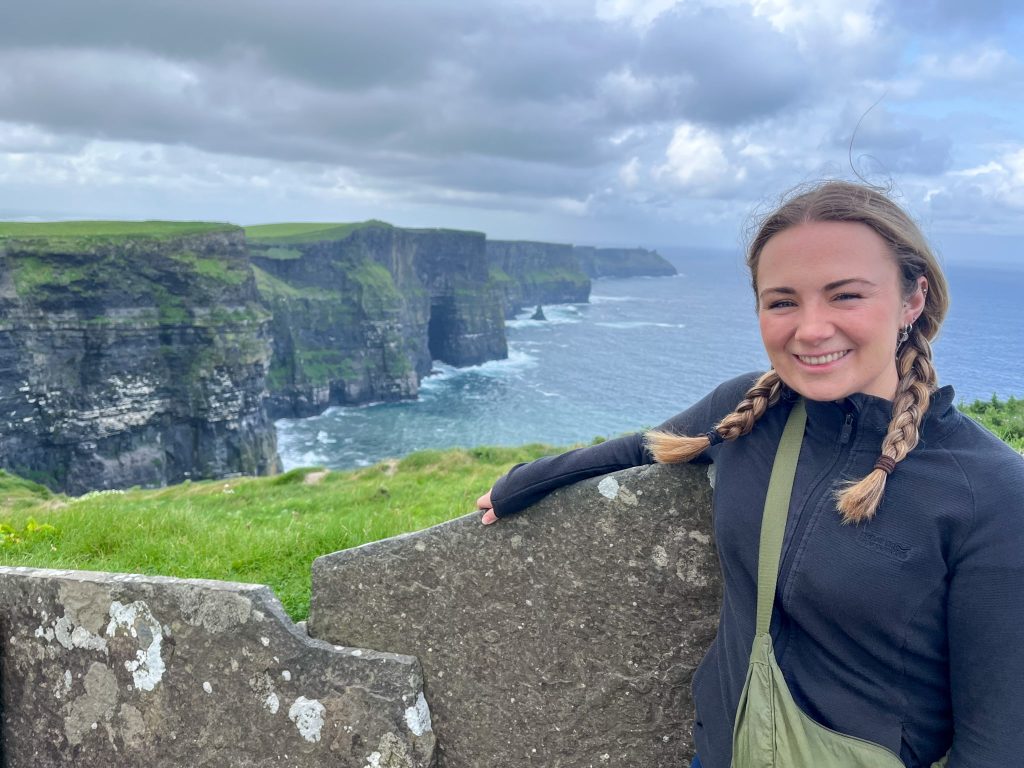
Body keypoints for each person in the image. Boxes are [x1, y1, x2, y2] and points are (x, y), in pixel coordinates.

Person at [475, 180, 1024, 768]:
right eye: (782, 301)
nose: (810, 329)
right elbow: (648, 446)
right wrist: (520, 485)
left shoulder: (990, 493)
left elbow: (998, 742)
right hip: (726, 748)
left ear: (912, 301)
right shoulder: (750, 412)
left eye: (845, 296)